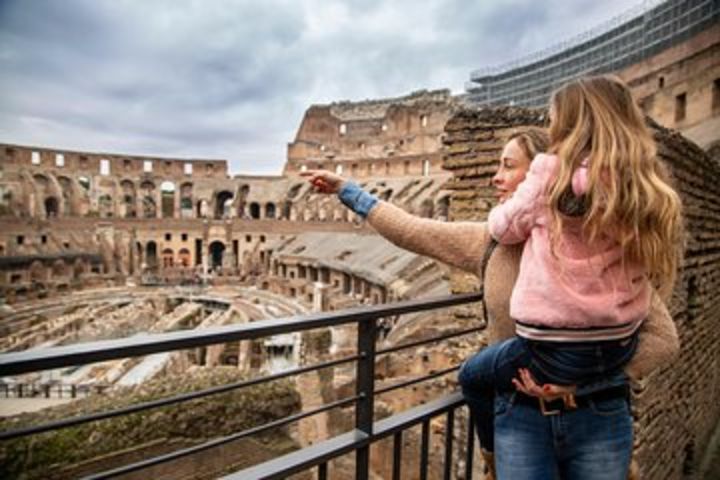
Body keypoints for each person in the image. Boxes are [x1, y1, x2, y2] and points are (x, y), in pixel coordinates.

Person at [302, 122, 679, 479]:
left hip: (598, 413)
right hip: (518, 415)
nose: (495, 176)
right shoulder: (491, 242)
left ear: (540, 177)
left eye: (508, 166)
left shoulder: (598, 246)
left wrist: (581, 385)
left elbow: (663, 340)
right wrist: (346, 191)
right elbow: (413, 231)